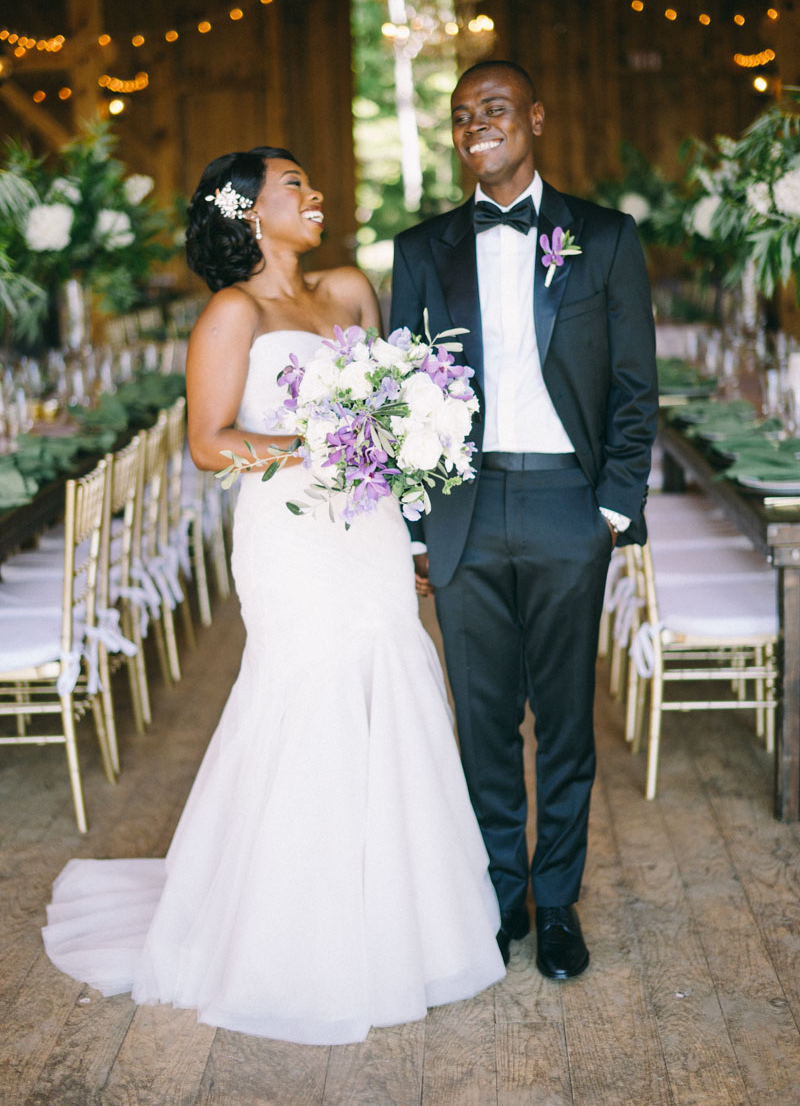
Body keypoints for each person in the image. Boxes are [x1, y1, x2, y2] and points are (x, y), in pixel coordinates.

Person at [42, 146, 505, 1045]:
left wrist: (400, 478)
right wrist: (321, 445)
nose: (314, 191)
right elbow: (210, 443)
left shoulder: (348, 290)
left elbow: (396, 402)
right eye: (295, 183)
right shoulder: (232, 311)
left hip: (365, 530)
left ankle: (402, 927)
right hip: (292, 535)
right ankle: (294, 936)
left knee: (395, 679)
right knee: (307, 693)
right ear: (251, 211)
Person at [390, 62, 658, 978]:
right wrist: (418, 527)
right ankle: (501, 895)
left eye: (494, 108)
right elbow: (400, 399)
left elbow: (633, 386)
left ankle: (559, 902)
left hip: (566, 508)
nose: (477, 125)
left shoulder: (605, 237)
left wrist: (614, 508)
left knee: (567, 726)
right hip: (465, 510)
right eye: (463, 116)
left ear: (534, 117)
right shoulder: (420, 250)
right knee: (484, 723)